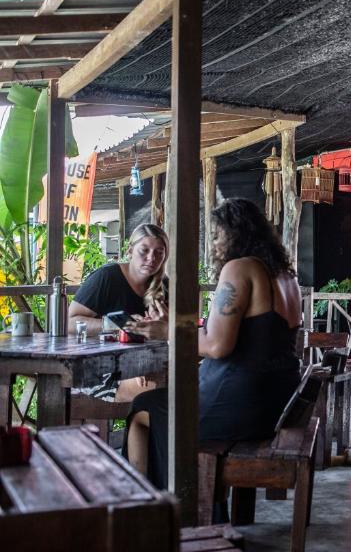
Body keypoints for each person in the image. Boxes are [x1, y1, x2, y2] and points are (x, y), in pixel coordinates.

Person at [127, 198, 302, 489]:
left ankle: (149, 504)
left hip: (241, 404)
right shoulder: (285, 276)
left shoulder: (239, 269)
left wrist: (167, 331)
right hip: (276, 402)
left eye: (217, 235)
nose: (214, 244)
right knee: (160, 402)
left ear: (236, 234)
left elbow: (217, 346)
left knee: (142, 407)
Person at [69, 223, 169, 401]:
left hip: (146, 362)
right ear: (130, 250)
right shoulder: (107, 277)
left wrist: (164, 326)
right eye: (144, 250)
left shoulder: (164, 285)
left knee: (189, 378)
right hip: (98, 368)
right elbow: (69, 322)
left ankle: (142, 425)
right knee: (164, 388)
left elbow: (170, 333)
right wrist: (120, 325)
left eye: (159, 252)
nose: (151, 258)